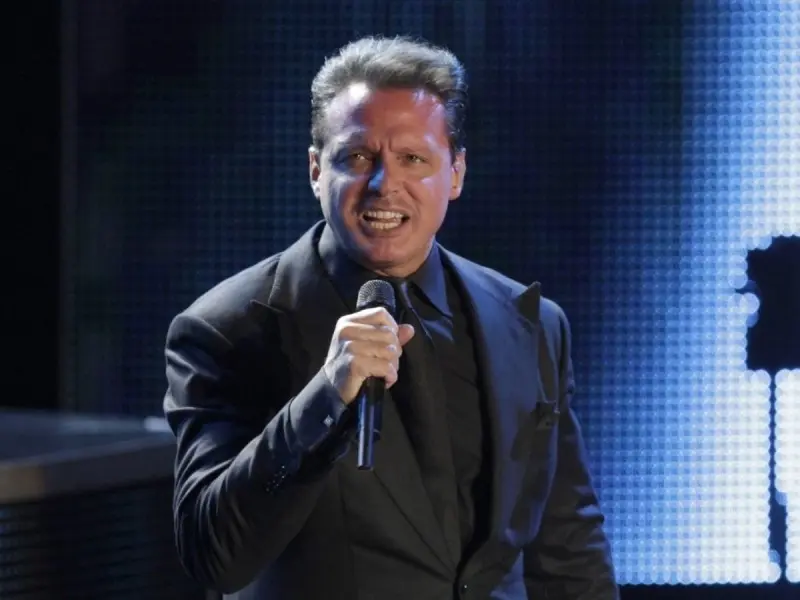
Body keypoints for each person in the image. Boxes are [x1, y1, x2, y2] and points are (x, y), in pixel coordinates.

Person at [163, 35, 619, 600]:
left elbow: (569, 549)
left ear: (456, 173)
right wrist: (323, 399)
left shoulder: (531, 325)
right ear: (316, 170)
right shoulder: (229, 329)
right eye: (358, 157)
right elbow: (213, 553)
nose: (384, 185)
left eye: (413, 159)